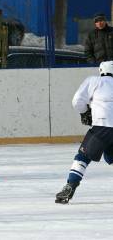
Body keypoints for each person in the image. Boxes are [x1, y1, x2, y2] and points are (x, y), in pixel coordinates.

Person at [55, 60, 113, 204]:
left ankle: (70, 186)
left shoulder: (94, 81)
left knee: (82, 157)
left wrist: (85, 111)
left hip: (101, 127)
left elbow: (77, 101)